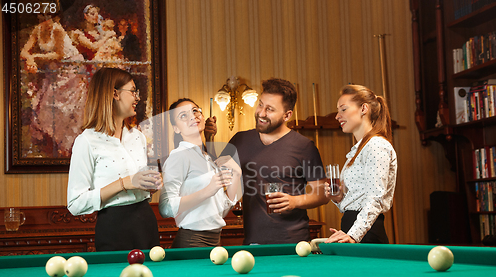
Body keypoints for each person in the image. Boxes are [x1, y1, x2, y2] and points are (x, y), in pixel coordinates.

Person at [221, 78, 329, 244]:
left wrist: (294, 201)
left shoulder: (304, 146)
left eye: (270, 109)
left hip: (293, 243)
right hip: (252, 241)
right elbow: (218, 179)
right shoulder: (239, 140)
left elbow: (322, 194)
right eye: (260, 105)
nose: (261, 113)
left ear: (287, 115)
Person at [67, 67, 162, 251]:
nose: (137, 98)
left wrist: (150, 185)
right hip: (114, 227)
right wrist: (124, 183)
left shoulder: (138, 137)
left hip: (146, 221)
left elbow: (141, 187)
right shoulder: (86, 141)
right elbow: (75, 203)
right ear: (114, 93)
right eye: (133, 91)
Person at [159, 99, 242, 248]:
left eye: (195, 110)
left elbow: (221, 210)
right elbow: (166, 208)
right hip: (192, 241)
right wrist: (208, 190)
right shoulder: (179, 155)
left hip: (216, 241)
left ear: (203, 117)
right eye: (183, 115)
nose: (193, 116)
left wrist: (237, 173)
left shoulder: (207, 157)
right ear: (176, 129)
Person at [324, 84, 397, 244]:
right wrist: (339, 199)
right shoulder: (360, 149)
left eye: (343, 109)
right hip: (353, 229)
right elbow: (358, 200)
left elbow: (376, 199)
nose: (337, 116)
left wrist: (353, 235)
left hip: (367, 234)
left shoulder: (376, 145)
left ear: (364, 108)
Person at [20, 10, 87, 158]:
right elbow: (23, 51)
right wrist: (29, 59)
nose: (46, 21)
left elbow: (59, 54)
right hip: (56, 69)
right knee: (46, 104)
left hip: (71, 67)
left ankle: (66, 147)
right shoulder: (37, 30)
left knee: (65, 107)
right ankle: (51, 146)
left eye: (48, 17)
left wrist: (35, 56)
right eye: (42, 17)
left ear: (54, 18)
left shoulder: (57, 29)